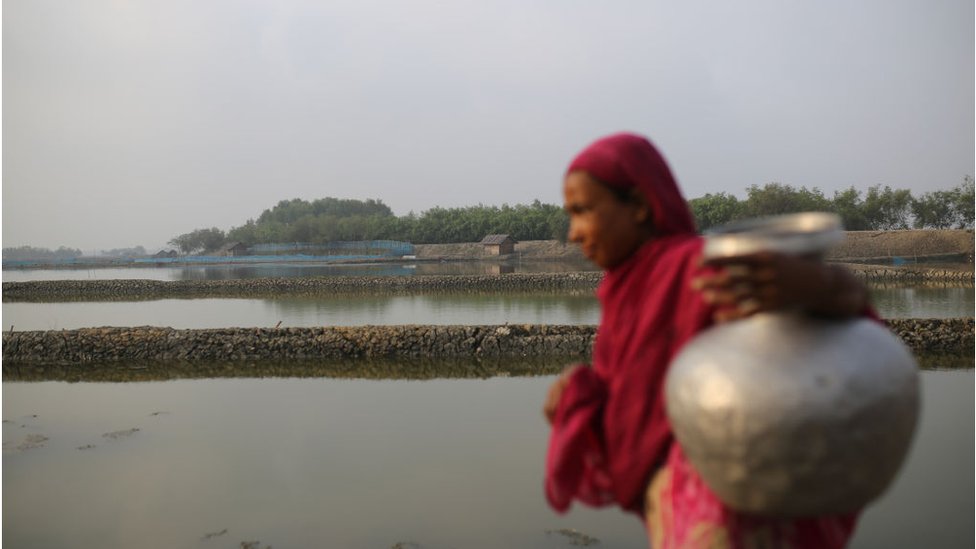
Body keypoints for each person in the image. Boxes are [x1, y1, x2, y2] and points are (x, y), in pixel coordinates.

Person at [543, 132, 870, 549]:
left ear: (639, 205)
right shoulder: (624, 292)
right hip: (675, 518)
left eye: (583, 211)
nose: (573, 233)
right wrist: (581, 397)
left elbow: (838, 327)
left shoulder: (699, 270)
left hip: (738, 517)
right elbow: (636, 420)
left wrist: (819, 284)